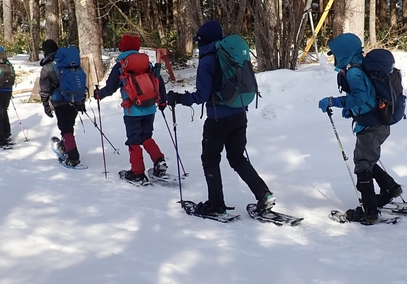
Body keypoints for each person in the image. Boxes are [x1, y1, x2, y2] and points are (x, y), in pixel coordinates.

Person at [166, 20, 275, 217]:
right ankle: (264, 194)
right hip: (239, 114)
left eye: (199, 41)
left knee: (210, 159)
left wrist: (179, 98)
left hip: (218, 119)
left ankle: (217, 206)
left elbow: (201, 96)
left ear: (204, 41)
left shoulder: (208, 60)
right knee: (237, 158)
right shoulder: (231, 54)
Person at [317, 33, 403, 225]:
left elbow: (359, 97)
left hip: (372, 125)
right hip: (376, 122)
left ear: (343, 53)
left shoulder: (353, 72)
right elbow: (367, 95)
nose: (334, 58)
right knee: (367, 160)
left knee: (362, 164)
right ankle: (391, 188)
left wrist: (335, 102)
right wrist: (352, 109)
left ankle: (369, 212)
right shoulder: (360, 65)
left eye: (335, 54)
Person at [95, 34, 168, 184]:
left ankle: (137, 173)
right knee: (146, 137)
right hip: (150, 107)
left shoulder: (121, 65)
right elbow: (159, 82)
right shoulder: (147, 64)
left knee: (134, 140)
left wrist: (98, 95)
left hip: (132, 110)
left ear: (122, 47)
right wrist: (162, 101)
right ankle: (159, 160)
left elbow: (110, 88)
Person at [39, 39, 84, 167]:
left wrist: (46, 105)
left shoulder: (48, 67)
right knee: (68, 125)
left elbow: (45, 90)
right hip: (76, 99)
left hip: (60, 101)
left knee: (65, 129)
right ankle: (66, 146)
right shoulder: (69, 62)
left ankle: (73, 157)